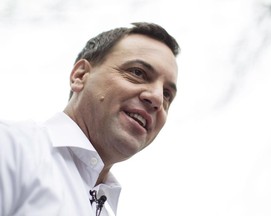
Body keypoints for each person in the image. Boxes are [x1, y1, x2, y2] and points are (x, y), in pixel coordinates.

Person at [0, 22, 180, 216]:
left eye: (167, 94)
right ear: (81, 75)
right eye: (137, 72)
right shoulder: (11, 147)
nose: (157, 99)